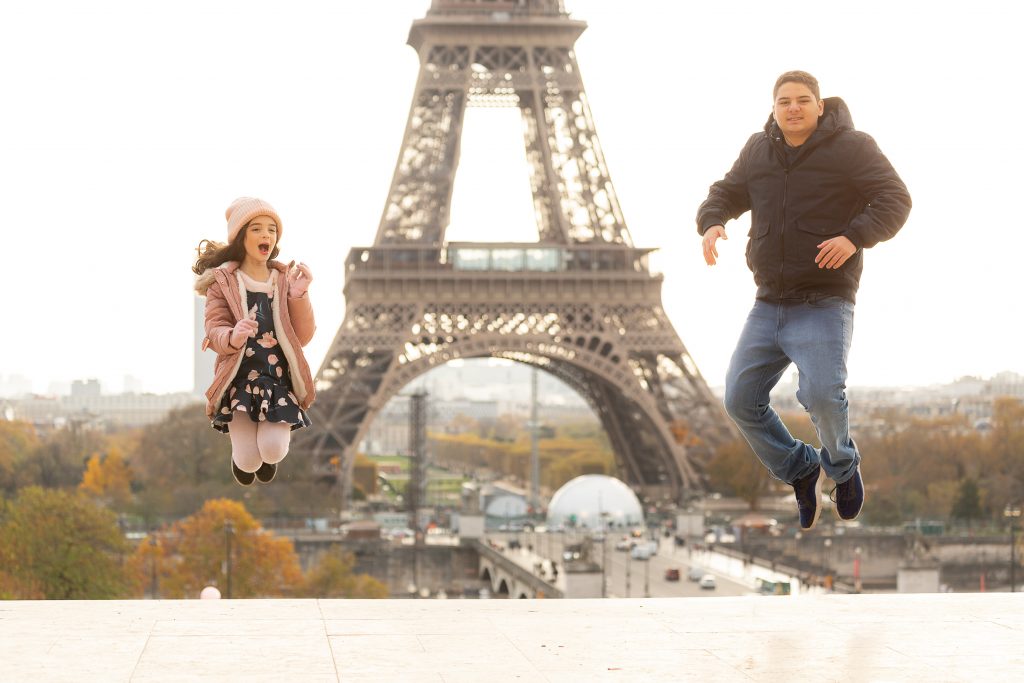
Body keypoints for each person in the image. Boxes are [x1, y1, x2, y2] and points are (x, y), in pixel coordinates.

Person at [696, 71, 911, 530]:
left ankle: (842, 469)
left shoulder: (852, 147)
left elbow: (895, 199)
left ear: (819, 105)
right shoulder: (759, 149)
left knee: (820, 394)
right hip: (768, 301)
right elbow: (727, 192)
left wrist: (855, 237)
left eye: (802, 100)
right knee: (738, 399)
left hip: (824, 300)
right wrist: (713, 221)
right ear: (774, 108)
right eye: (783, 101)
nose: (792, 108)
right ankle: (800, 467)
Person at [193, 197, 317, 486]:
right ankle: (243, 459)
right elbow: (214, 328)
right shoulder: (221, 282)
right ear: (241, 237)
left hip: (277, 378)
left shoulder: (285, 279)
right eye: (257, 229)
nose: (266, 236)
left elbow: (303, 336)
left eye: (272, 230)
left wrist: (299, 296)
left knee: (272, 451)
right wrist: (234, 336)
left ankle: (264, 452)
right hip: (239, 377)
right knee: (248, 461)